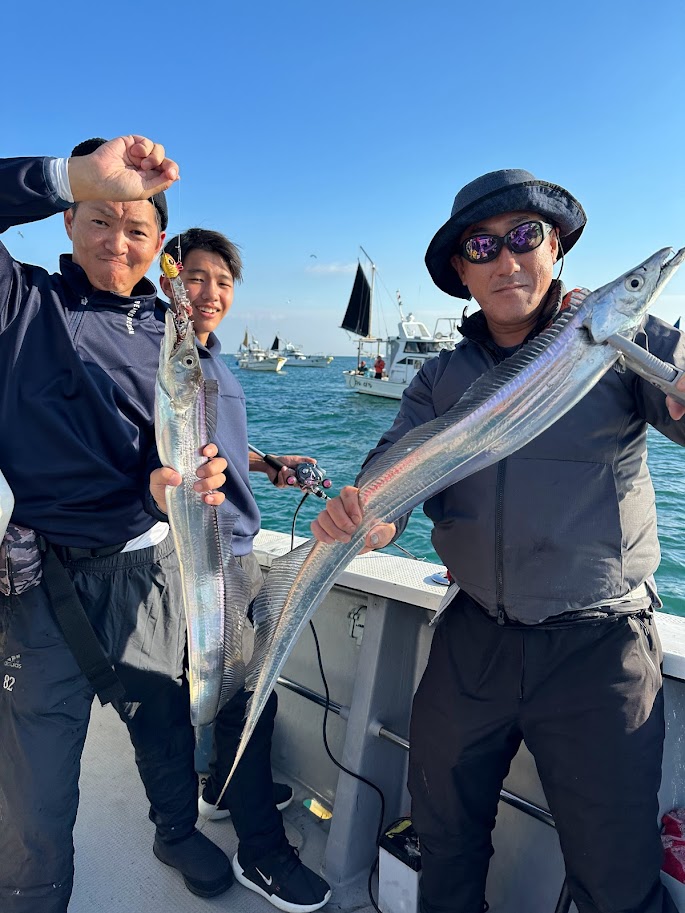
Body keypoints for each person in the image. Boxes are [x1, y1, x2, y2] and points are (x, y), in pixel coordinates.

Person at [311, 169, 685, 913]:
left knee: (615, 875)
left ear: (556, 247)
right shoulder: (438, 378)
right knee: (444, 842)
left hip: (599, 648)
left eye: (524, 236)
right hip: (472, 638)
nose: (507, 259)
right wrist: (366, 517)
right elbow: (389, 478)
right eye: (482, 246)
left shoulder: (628, 340)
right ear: (461, 269)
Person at [1, 137, 233, 912]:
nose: (116, 241)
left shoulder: (173, 335)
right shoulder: (22, 302)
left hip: (147, 566)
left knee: (163, 723)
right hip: (41, 579)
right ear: (67, 220)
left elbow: (171, 448)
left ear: (158, 241)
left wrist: (174, 484)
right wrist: (71, 173)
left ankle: (175, 829)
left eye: (136, 229)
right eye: (98, 218)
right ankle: (33, 893)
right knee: (37, 778)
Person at [157, 228, 331, 912]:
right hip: (204, 557)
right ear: (171, 280)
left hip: (236, 550)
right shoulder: (166, 357)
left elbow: (219, 445)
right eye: (195, 278)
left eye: (223, 282)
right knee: (247, 699)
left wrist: (269, 464)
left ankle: (221, 788)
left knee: (242, 691)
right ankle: (261, 850)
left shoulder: (214, 364)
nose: (210, 293)